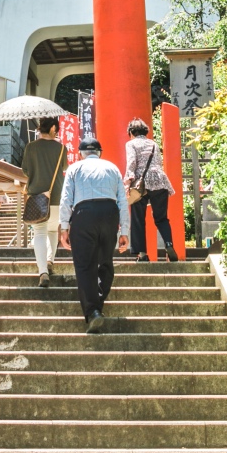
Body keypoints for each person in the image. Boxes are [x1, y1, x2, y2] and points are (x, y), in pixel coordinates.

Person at [58, 137, 130, 333]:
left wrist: (64, 227)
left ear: (81, 154)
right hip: (109, 213)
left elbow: (66, 199)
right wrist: (125, 230)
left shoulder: (74, 169)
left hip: (84, 215)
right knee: (105, 261)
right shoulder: (113, 168)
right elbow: (123, 201)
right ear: (100, 152)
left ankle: (93, 311)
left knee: (84, 265)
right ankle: (97, 302)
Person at [19, 117, 68, 288]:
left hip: (36, 197)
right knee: (53, 230)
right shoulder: (62, 148)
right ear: (54, 128)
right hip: (56, 197)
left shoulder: (30, 147)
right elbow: (64, 168)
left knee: (39, 233)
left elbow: (25, 171)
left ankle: (43, 272)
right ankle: (50, 261)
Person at [124, 118, 177, 262]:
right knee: (161, 218)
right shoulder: (153, 144)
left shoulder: (131, 144)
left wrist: (127, 181)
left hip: (141, 183)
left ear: (131, 132)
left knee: (138, 219)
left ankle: (142, 254)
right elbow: (157, 162)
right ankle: (168, 244)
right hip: (160, 180)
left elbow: (132, 162)